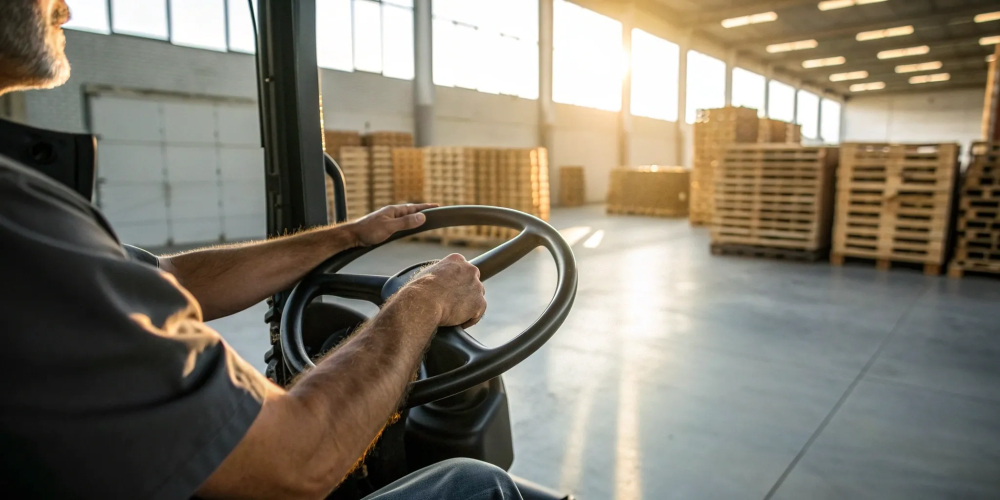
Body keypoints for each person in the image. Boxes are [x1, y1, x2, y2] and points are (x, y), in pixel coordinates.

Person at [0, 1, 522, 499]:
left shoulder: (33, 217)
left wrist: (347, 235)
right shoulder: (18, 220)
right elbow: (296, 462)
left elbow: (170, 276)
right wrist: (425, 297)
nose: (64, 8)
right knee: (478, 484)